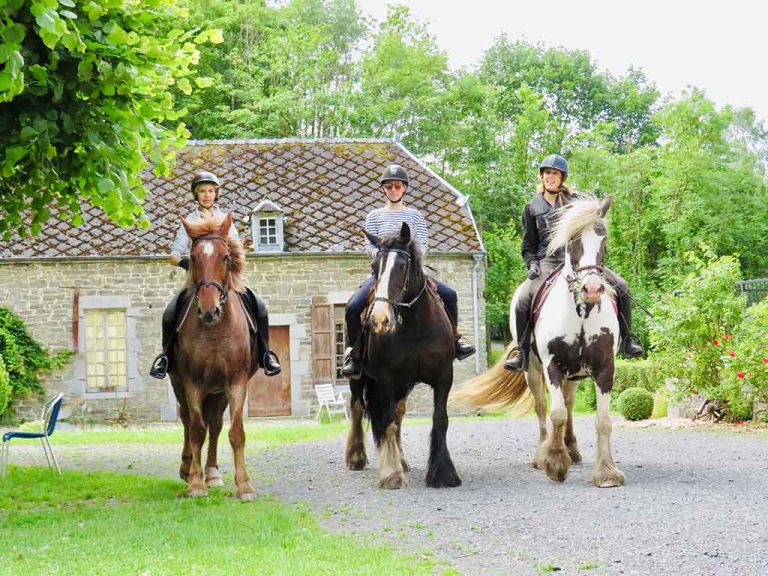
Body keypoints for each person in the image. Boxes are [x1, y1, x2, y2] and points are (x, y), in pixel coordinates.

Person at [504, 154, 643, 371]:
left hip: (581, 261)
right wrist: (531, 262)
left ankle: (627, 339)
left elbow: (592, 231)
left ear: (562, 178)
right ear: (542, 176)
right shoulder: (532, 206)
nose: (550, 177)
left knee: (622, 286)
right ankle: (521, 351)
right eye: (547, 173)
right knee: (523, 297)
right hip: (548, 262)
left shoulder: (575, 202)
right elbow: (528, 243)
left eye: (555, 173)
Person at [340, 164, 476, 378]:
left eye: (397, 186)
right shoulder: (374, 216)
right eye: (389, 187)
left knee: (450, 295)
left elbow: (422, 244)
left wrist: (406, 261)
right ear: (384, 190)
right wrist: (387, 261)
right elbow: (370, 246)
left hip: (411, 272)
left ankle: (456, 340)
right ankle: (353, 354)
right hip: (382, 274)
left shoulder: (415, 216)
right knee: (352, 307)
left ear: (404, 189)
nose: (393, 190)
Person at [149, 170, 281, 379]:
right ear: (196, 195)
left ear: (216, 194)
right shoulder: (190, 221)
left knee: (260, 306)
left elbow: (236, 250)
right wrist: (189, 265)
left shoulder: (224, 220)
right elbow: (173, 255)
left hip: (224, 280)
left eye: (210, 191)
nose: (207, 195)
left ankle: (266, 353)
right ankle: (165, 357)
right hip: (197, 282)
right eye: (202, 191)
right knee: (170, 312)